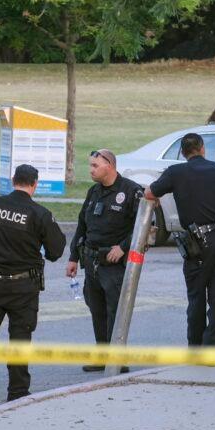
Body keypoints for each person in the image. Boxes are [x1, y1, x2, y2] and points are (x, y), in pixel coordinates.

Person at [0, 164, 67, 407]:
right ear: (35, 184)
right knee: (20, 338)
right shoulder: (40, 213)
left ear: (12, 180)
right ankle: (17, 391)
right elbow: (56, 250)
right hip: (24, 286)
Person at [145, 133, 215, 346]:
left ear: (183, 152)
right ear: (202, 148)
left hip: (197, 243)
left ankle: (195, 346)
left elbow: (149, 193)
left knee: (196, 296)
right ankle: (212, 349)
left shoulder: (175, 172)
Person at [67, 149, 144, 372]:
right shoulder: (94, 192)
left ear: (109, 165)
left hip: (113, 264)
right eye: (90, 165)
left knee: (114, 310)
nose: (90, 170)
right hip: (91, 260)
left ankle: (116, 358)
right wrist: (73, 257)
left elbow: (144, 227)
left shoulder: (130, 191)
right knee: (97, 309)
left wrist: (123, 247)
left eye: (95, 166)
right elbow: (82, 225)